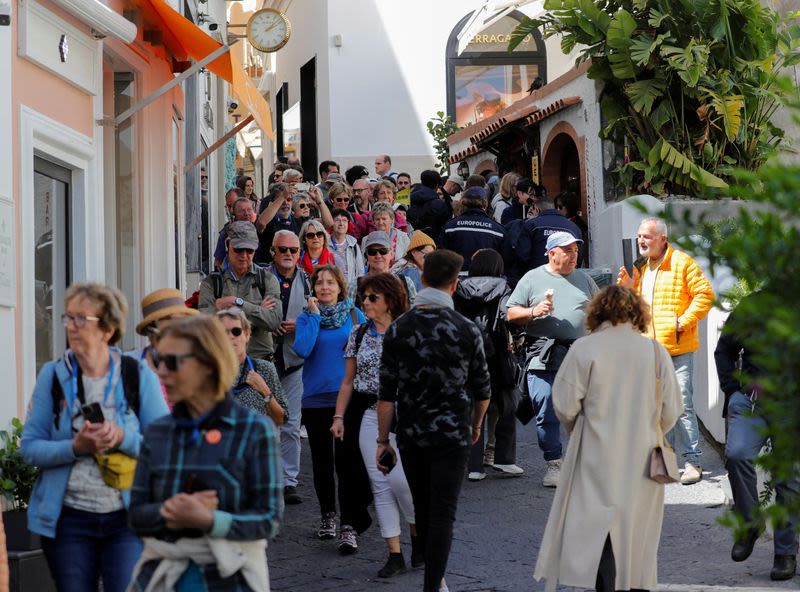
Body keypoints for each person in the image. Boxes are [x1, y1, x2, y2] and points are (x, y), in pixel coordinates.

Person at [534, 285, 682, 592]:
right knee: (637, 531)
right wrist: (649, 429)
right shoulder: (655, 351)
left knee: (599, 528)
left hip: (595, 452)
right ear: (637, 313)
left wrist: (580, 428)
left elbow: (563, 403)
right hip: (644, 455)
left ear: (597, 311)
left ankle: (607, 585)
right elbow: (672, 409)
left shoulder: (585, 348)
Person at [21, 283, 168, 591]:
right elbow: (31, 449)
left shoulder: (137, 374)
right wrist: (75, 447)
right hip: (68, 519)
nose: (70, 327)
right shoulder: (53, 374)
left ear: (107, 328)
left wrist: (122, 438)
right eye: (67, 318)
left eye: (80, 319)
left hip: (127, 517)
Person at [128, 315, 283, 591]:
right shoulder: (157, 433)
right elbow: (137, 514)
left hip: (232, 580)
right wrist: (170, 512)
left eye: (172, 362)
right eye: (159, 360)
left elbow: (268, 519)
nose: (161, 372)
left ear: (207, 365)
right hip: (163, 579)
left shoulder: (254, 432)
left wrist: (212, 521)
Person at [377, 250, 491, 592]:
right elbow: (483, 389)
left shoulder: (398, 329)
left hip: (412, 433)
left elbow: (386, 394)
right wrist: (475, 425)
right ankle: (433, 583)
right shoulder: (467, 329)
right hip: (453, 432)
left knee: (424, 508)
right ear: (454, 285)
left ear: (422, 280)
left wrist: (383, 441)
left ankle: (433, 579)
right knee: (443, 512)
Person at [331, 273, 420, 578]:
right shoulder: (358, 334)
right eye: (364, 297)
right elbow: (347, 381)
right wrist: (339, 417)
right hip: (367, 412)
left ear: (390, 301)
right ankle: (394, 553)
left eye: (372, 298)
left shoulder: (408, 332)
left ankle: (417, 535)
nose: (365, 302)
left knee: (403, 483)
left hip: (403, 414)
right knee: (381, 483)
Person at [618, 217, 714, 484]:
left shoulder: (681, 263)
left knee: (681, 403)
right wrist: (627, 288)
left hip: (678, 347)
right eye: (639, 236)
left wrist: (683, 322)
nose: (641, 241)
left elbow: (705, 294)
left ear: (662, 238)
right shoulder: (642, 268)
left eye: (647, 237)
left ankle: (693, 462)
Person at [714, 295, 799, 580]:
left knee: (789, 481)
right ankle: (750, 523)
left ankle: (785, 554)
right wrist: (732, 388)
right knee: (737, 454)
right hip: (751, 401)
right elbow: (724, 350)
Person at [507, 231, 599, 487]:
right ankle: (554, 462)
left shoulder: (584, 279)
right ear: (552, 253)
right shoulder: (532, 278)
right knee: (545, 403)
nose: (573, 256)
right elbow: (511, 313)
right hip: (543, 353)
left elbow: (601, 312)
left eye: (576, 251)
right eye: (567, 251)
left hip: (580, 354)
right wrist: (533, 311)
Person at [293, 265, 371, 553]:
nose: (324, 287)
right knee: (322, 463)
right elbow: (302, 349)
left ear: (339, 287)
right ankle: (328, 515)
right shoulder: (306, 317)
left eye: (330, 283)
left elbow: (368, 350)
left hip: (348, 400)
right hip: (315, 400)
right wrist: (314, 317)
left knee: (348, 463)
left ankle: (349, 523)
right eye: (319, 283)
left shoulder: (354, 315)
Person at [453, 249, 521, 481]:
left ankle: (473, 466)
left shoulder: (460, 288)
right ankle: (504, 459)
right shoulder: (504, 288)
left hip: (468, 352)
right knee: (507, 404)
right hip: (498, 351)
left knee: (472, 406)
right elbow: (508, 318)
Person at [263, 230, 311, 505]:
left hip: (294, 360)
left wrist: (299, 323)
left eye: (293, 250)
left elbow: (318, 314)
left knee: (291, 423)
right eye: (283, 250)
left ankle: (288, 481)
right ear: (273, 251)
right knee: (267, 423)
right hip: (266, 359)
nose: (288, 255)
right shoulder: (261, 279)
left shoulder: (307, 281)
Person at [199, 221, 283, 362]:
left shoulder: (267, 280)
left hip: (260, 361)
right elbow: (204, 326)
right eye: (238, 249)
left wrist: (237, 303)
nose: (244, 255)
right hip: (223, 362)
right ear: (227, 246)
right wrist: (258, 312)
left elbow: (274, 321)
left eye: (249, 250)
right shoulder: (212, 283)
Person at [217, 307, 288, 425]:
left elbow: (280, 419)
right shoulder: (206, 372)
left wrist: (265, 391)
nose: (230, 336)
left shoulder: (264, 369)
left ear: (247, 334)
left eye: (236, 331)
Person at [439, 187, 505, 271]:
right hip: (487, 279)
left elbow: (441, 257)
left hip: (456, 277)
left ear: (463, 202)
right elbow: (505, 260)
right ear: (485, 203)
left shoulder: (450, 226)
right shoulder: (498, 230)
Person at [349, 231, 416, 306]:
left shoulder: (406, 283)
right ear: (366, 256)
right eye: (372, 252)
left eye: (383, 251)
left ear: (391, 254)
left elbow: (416, 314)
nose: (378, 256)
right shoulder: (355, 286)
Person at [255, 182, 300, 265]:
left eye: (289, 199)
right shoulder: (269, 220)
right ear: (273, 202)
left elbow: (329, 224)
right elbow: (261, 223)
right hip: (269, 270)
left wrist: (319, 202)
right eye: (282, 200)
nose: (285, 203)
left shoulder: (296, 221)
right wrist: (282, 196)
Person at [408, 170, 451, 239]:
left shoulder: (408, 200)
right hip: (432, 242)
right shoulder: (439, 204)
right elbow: (445, 225)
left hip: (410, 239)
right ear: (437, 186)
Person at [329, 208, 365, 285]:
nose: (341, 223)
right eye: (337, 220)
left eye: (344, 220)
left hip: (351, 291)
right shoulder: (325, 245)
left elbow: (360, 271)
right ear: (332, 223)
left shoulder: (353, 245)